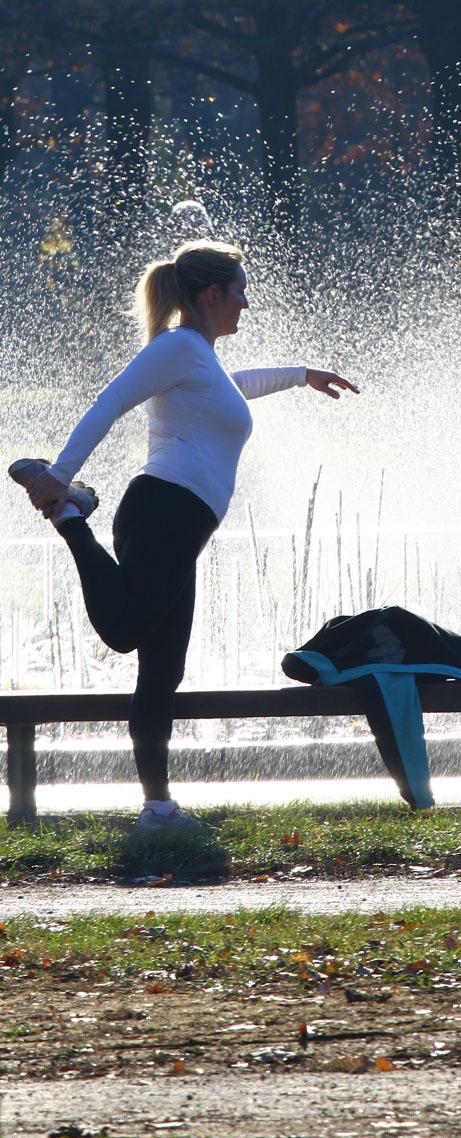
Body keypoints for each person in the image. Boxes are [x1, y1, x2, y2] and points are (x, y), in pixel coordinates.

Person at [9, 239, 358, 832]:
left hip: (181, 525)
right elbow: (112, 398)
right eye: (239, 292)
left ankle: (158, 808)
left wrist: (302, 375)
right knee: (123, 632)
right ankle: (72, 516)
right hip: (162, 512)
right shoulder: (176, 346)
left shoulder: (202, 358)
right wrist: (58, 477)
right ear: (210, 294)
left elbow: (234, 386)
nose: (246, 303)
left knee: (163, 670)